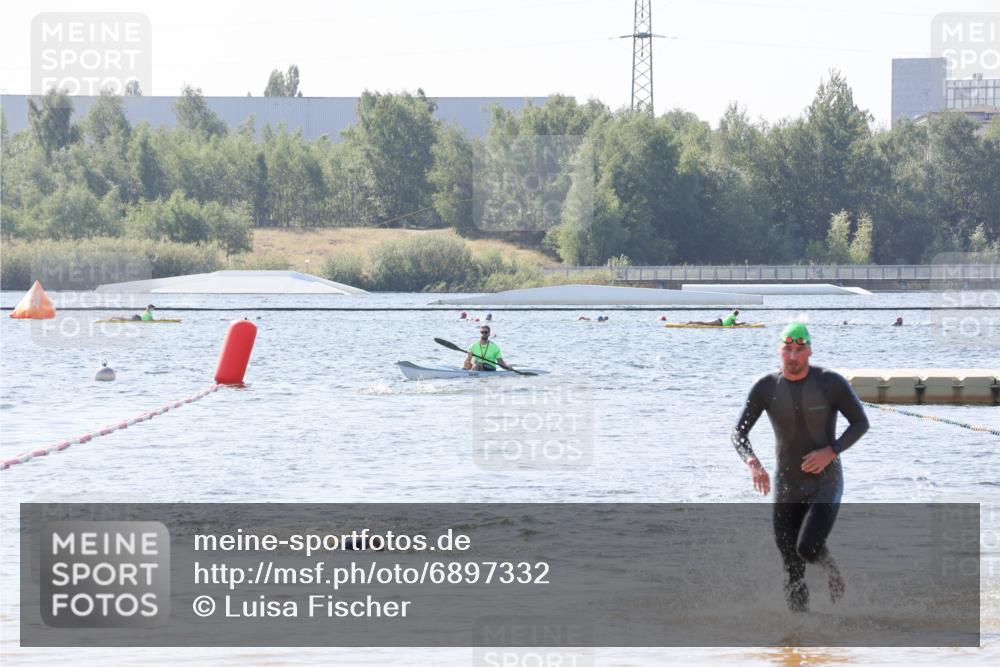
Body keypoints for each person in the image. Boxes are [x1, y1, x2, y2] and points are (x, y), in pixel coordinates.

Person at [731, 322, 869, 612]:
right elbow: (738, 433)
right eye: (788, 350)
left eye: (799, 350)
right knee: (791, 566)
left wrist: (832, 451)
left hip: (825, 482)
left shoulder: (830, 383)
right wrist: (753, 463)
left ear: (809, 352)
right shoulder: (765, 387)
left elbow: (860, 423)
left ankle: (831, 571)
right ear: (779, 350)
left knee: (807, 548)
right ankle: (797, 638)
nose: (793, 357)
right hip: (787, 485)